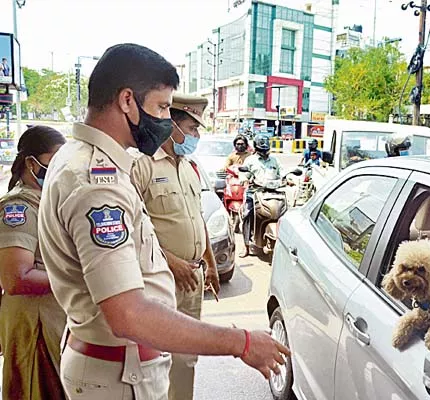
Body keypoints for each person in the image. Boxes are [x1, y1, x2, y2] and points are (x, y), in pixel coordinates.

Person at [38, 43, 289, 399]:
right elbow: (129, 315)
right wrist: (242, 342)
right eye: (160, 107)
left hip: (119, 367)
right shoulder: (97, 183)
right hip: (119, 376)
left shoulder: (84, 160)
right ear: (127, 100)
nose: (165, 121)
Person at [131, 94, 220, 400]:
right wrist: (171, 262)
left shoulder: (189, 168)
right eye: (192, 130)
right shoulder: (142, 165)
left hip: (193, 278)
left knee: (186, 358)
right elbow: (133, 231)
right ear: (171, 126)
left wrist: (210, 264)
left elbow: (198, 219)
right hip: (161, 279)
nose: (196, 137)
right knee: (157, 357)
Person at [0, 125, 67, 400]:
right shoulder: (19, 208)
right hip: (33, 324)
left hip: (52, 319)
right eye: (56, 160)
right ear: (31, 163)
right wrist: (76, 280)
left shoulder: (47, 201)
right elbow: (15, 278)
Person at [239, 135, 285, 258]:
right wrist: (244, 179)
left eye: (266, 150)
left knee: (285, 212)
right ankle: (246, 245)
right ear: (256, 149)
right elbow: (243, 174)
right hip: (254, 193)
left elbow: (283, 172)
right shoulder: (250, 160)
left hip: (274, 192)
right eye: (261, 150)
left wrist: (289, 179)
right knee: (247, 214)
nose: (264, 153)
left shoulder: (275, 160)